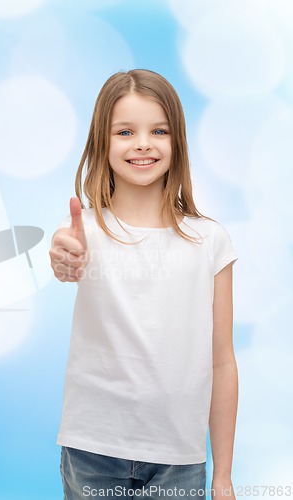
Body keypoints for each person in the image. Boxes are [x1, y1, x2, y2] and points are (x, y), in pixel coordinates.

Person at [49, 69, 238, 500]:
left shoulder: (210, 241)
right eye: (125, 131)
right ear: (103, 141)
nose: (143, 144)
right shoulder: (83, 232)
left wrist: (223, 477)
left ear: (177, 142)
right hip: (92, 449)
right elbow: (65, 262)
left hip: (179, 458)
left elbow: (222, 362)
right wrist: (65, 260)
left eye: (159, 130)